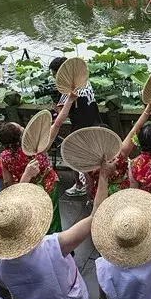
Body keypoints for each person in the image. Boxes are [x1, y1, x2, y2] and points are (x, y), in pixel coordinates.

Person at [0, 94, 75, 234]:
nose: (24, 127)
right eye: (21, 127)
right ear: (20, 136)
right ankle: (54, 241)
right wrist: (70, 100)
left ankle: (35, 238)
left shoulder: (4, 157)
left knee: (32, 217)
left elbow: (7, 181)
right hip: (46, 186)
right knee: (51, 215)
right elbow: (57, 123)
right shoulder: (38, 148)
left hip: (26, 191)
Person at [48, 56, 102, 198]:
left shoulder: (68, 90)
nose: (55, 80)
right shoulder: (84, 80)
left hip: (80, 129)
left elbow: (62, 115)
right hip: (96, 124)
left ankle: (80, 185)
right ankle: (94, 185)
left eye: (55, 75)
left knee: (73, 157)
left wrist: (55, 105)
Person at [86, 101, 151, 200]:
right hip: (122, 194)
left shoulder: (88, 163)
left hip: (101, 195)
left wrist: (90, 199)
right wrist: (148, 108)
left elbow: (89, 185)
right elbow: (136, 128)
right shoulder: (120, 153)